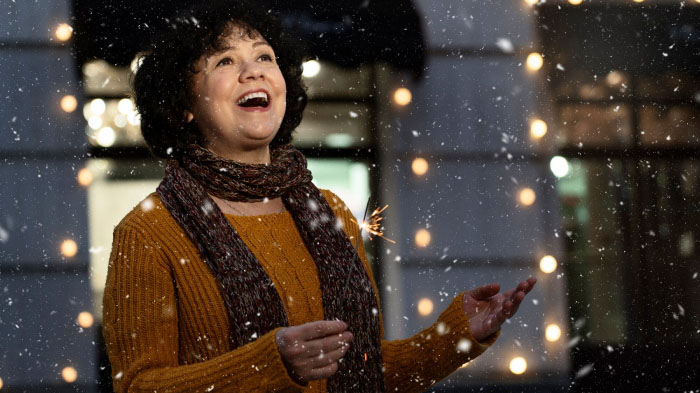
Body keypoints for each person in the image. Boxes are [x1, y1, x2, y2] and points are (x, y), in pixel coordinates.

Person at [102, 2, 537, 392]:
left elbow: (363, 371)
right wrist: (269, 366)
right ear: (184, 105)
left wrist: (456, 336)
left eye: (264, 57)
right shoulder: (149, 232)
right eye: (225, 61)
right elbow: (140, 386)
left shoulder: (328, 213)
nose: (252, 70)